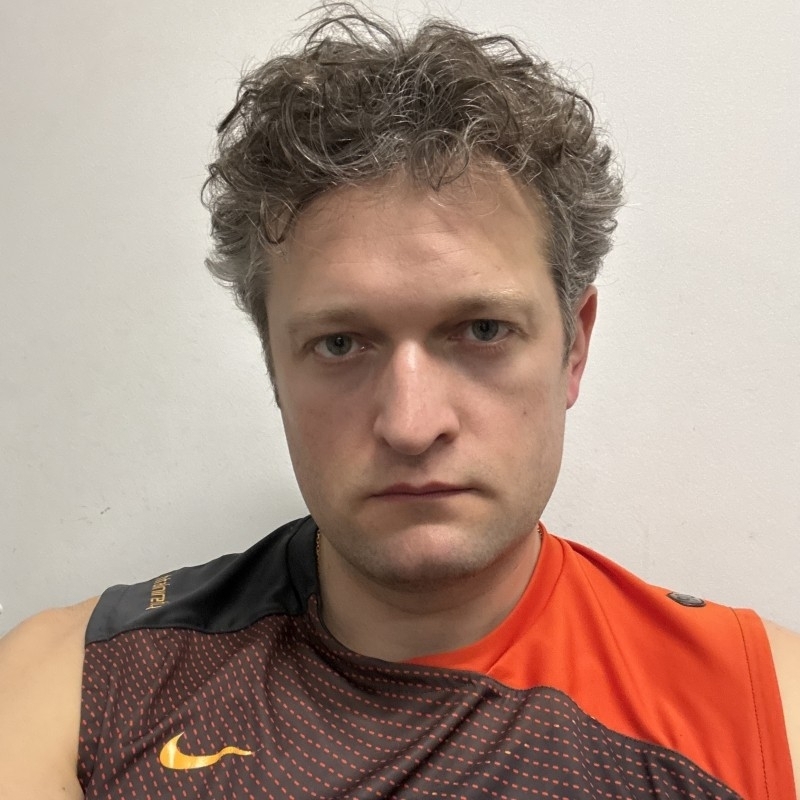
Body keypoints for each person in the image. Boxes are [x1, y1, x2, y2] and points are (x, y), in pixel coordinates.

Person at [1, 6, 798, 798]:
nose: (412, 426)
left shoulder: (760, 709)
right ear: (274, 364)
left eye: (482, 330)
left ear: (573, 347)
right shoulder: (76, 689)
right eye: (340, 343)